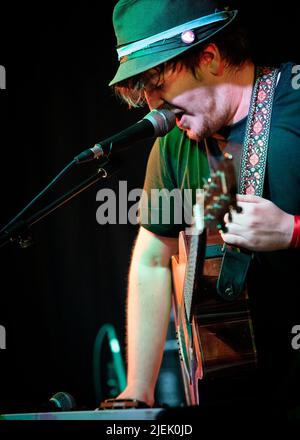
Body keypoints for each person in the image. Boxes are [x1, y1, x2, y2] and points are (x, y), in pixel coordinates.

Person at [103, 0, 300, 421]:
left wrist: (293, 231)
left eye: (159, 87)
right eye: (145, 94)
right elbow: (153, 260)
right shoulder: (171, 147)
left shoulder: (295, 104)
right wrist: (138, 387)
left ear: (208, 58)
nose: (155, 109)